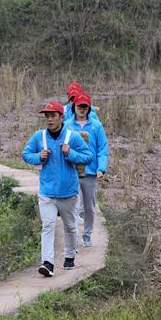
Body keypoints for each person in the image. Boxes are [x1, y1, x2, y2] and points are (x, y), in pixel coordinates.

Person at [22, 100, 93, 276]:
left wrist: (71, 153)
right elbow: (26, 154)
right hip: (47, 192)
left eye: (53, 115)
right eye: (47, 116)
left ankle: (69, 255)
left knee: (70, 226)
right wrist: (39, 157)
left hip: (68, 193)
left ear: (61, 117)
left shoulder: (72, 137)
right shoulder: (39, 137)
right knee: (48, 226)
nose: (49, 119)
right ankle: (47, 263)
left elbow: (88, 156)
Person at [67, 93, 109, 247]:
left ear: (89, 108)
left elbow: (102, 149)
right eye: (79, 106)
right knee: (72, 205)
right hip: (71, 171)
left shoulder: (96, 126)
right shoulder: (67, 125)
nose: (82, 109)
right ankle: (73, 234)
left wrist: (101, 168)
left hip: (90, 173)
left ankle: (87, 234)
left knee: (89, 206)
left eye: (85, 106)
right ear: (74, 107)